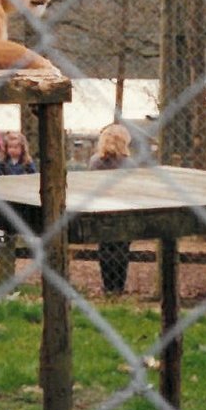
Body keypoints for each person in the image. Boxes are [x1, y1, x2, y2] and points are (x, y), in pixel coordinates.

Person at [89, 123, 136, 294]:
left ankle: (108, 285)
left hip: (102, 210)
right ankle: (119, 286)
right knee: (122, 248)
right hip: (123, 210)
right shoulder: (128, 163)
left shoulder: (96, 161)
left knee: (105, 247)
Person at [0, 130, 38, 259]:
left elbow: (34, 176)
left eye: (16, 147)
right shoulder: (2, 163)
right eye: (10, 147)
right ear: (6, 149)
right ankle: (0, 237)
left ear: (22, 148)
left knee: (26, 217)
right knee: (3, 218)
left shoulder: (27, 163)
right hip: (6, 195)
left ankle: (30, 238)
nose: (13, 150)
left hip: (23, 196)